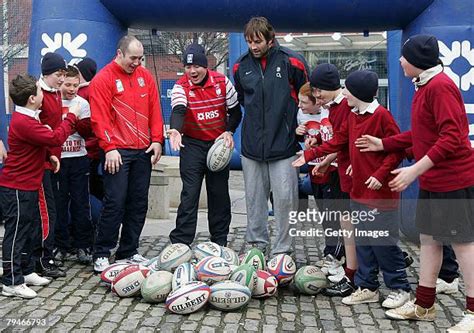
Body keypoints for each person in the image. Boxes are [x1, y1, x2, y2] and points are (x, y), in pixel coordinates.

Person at [355, 34, 474, 331]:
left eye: (404, 57)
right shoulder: (425, 85)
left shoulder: (441, 87)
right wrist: (384, 144)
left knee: (463, 246)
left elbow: (451, 138)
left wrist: (414, 171)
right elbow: (420, 134)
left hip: (454, 180)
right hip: (435, 180)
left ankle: (473, 313)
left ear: (417, 62)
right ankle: (424, 305)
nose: (400, 61)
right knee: (429, 241)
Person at [293, 70, 411, 309]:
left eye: (347, 90)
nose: (343, 93)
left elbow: (398, 150)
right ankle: (367, 286)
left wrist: (379, 175)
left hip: (380, 195)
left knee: (382, 242)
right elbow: (340, 142)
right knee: (364, 242)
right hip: (358, 190)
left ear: (358, 94)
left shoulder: (381, 116)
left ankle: (400, 288)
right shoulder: (354, 114)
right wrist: (312, 154)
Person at [233, 16, 308, 256]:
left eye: (257, 41)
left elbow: (307, 98)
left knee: (286, 202)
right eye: (249, 42)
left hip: (284, 145)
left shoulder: (292, 62)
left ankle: (283, 251)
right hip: (252, 147)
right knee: (255, 203)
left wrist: (295, 129)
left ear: (270, 39)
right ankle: (257, 249)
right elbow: (243, 100)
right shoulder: (240, 66)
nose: (253, 46)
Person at [0, 74, 79, 298]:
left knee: (30, 229)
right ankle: (11, 281)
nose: (44, 94)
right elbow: (54, 138)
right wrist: (71, 117)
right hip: (16, 187)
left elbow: (36, 147)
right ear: (32, 98)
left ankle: (26, 271)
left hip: (28, 185)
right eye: (40, 91)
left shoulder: (29, 118)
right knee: (15, 234)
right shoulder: (24, 122)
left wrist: (48, 158)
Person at [90, 35, 164, 273]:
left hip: (142, 150)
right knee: (115, 201)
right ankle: (101, 252)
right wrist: (109, 147)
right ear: (119, 54)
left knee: (139, 202)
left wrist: (157, 141)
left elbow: (155, 110)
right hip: (117, 151)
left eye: (140, 58)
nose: (137, 62)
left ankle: (129, 250)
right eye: (133, 58)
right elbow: (98, 117)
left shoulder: (145, 77)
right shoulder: (103, 79)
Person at [167, 43, 242, 246]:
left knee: (219, 195)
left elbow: (235, 112)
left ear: (206, 66)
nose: (192, 71)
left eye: (196, 67)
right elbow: (179, 110)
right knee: (189, 195)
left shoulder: (222, 81)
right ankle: (180, 243)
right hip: (192, 145)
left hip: (217, 145)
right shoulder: (181, 86)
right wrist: (175, 129)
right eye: (188, 67)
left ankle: (220, 241)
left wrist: (229, 131)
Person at [305, 64, 356, 296]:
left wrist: (319, 157)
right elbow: (336, 139)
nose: (316, 97)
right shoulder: (333, 107)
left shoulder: (345, 105)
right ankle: (347, 266)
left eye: (318, 91)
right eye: (313, 92)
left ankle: (348, 267)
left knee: (347, 221)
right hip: (335, 169)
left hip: (346, 172)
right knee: (340, 220)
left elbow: (343, 141)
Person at [54, 66, 94, 265]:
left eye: (75, 85)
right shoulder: (53, 101)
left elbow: (88, 131)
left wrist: (73, 119)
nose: (71, 89)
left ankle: (82, 245)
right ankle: (60, 246)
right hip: (59, 160)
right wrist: (69, 118)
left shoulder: (82, 103)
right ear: (61, 83)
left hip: (79, 157)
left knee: (80, 204)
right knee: (59, 204)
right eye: (68, 85)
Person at [34, 52, 68, 278]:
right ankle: (42, 259)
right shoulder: (38, 95)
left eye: (64, 74)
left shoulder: (54, 92)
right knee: (47, 214)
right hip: (41, 164)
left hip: (53, 160)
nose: (62, 79)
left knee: (53, 211)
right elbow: (38, 132)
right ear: (47, 74)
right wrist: (48, 155)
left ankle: (46, 254)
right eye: (58, 74)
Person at [75, 57, 103, 201]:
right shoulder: (94, 90)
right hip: (94, 147)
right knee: (92, 182)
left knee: (89, 184)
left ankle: (114, 204)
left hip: (88, 148)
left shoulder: (83, 93)